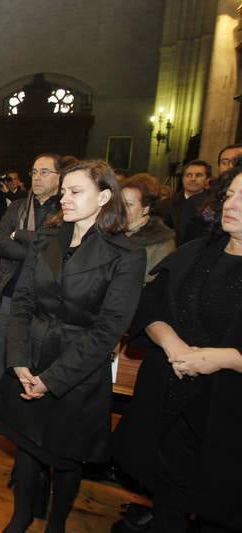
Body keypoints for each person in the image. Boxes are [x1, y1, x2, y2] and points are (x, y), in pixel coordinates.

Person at [0, 160, 145, 533]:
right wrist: (18, 361)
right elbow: (23, 302)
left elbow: (109, 329)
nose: (66, 198)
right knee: (26, 446)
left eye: (76, 192)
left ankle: (56, 524)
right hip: (32, 354)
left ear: (105, 196)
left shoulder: (126, 254)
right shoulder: (48, 238)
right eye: (64, 191)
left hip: (77, 368)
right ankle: (21, 514)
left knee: (66, 456)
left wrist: (52, 380)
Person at [112, 169, 242, 533]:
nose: (232, 204)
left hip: (227, 415)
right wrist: (173, 343)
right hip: (172, 397)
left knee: (220, 510)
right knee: (168, 497)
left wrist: (223, 358)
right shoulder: (196, 252)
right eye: (229, 195)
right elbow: (150, 307)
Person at [0, 153, 62, 386]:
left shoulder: (64, 210)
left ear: (59, 177)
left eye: (44, 172)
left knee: (41, 355)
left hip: (48, 297)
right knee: (5, 356)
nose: (37, 177)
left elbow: (57, 247)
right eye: (33, 172)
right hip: (13, 290)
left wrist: (19, 235)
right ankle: (3, 404)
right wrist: (35, 251)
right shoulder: (19, 207)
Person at [121, 174, 175, 283]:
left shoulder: (161, 239)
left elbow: (156, 282)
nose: (121, 210)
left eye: (129, 205)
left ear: (145, 208)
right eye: (119, 204)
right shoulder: (109, 232)